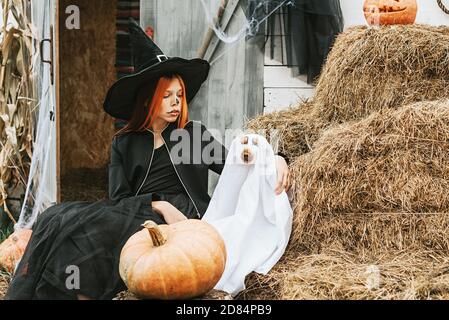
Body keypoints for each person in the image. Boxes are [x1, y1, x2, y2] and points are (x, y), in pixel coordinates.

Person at [5, 18, 290, 300]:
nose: (177, 102)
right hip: (138, 211)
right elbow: (117, 198)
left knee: (100, 224)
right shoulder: (124, 142)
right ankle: (70, 292)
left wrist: (275, 158)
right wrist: (159, 204)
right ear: (148, 100)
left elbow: (236, 163)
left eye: (180, 95)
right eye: (167, 96)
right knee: (56, 215)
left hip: (183, 215)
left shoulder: (191, 136)